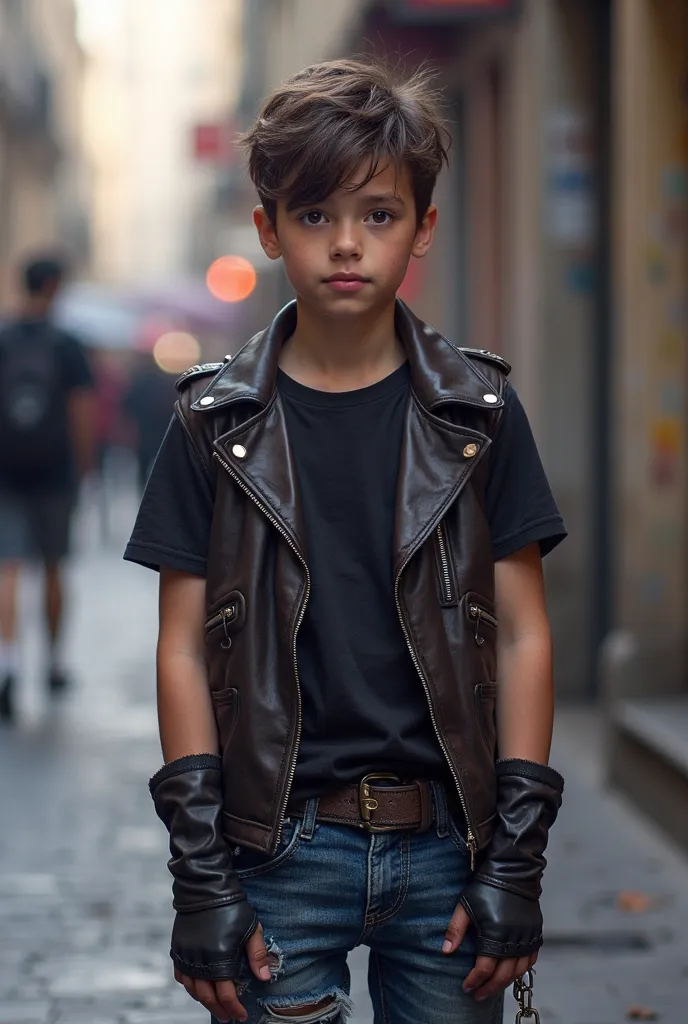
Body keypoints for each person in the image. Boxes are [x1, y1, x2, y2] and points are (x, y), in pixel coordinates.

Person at [125, 59, 567, 1024]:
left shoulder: (479, 414)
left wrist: (516, 865)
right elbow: (181, 647)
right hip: (277, 851)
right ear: (267, 230)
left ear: (423, 228)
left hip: (450, 844)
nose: (346, 245)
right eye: (314, 215)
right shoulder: (213, 420)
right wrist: (201, 873)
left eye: (377, 214)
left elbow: (527, 633)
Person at [0, 256, 94, 722]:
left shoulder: (3, 338)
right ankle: (54, 662)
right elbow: (81, 410)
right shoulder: (68, 345)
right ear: (55, 286)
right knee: (55, 568)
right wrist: (82, 468)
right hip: (54, 472)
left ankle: (8, 663)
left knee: (7, 569)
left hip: (6, 472)